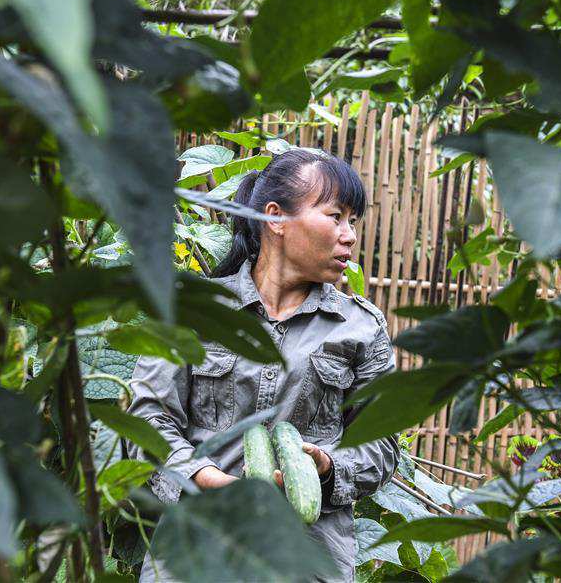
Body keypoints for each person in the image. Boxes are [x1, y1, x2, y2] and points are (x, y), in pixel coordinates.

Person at [125, 148, 401, 582]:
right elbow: (147, 417)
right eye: (335, 216)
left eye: (353, 221)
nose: (349, 235)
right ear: (276, 218)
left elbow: (381, 446)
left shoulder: (361, 329)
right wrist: (208, 478)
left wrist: (326, 466)